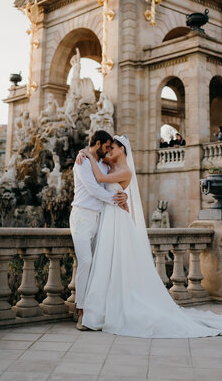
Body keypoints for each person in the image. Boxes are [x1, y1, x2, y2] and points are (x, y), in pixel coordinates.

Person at [76, 135, 222, 338]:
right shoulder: (108, 163)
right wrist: (83, 153)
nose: (108, 151)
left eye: (112, 147)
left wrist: (89, 159)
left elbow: (99, 178)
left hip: (116, 216)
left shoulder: (125, 170)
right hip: (108, 216)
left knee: (116, 260)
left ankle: (105, 309)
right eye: (107, 148)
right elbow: (96, 157)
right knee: (106, 261)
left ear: (122, 150)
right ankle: (98, 308)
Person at [69, 130, 128, 331]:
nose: (108, 150)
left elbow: (115, 181)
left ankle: (95, 310)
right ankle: (81, 310)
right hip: (82, 216)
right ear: (98, 144)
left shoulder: (102, 164)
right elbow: (93, 190)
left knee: (98, 264)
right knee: (86, 262)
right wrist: (117, 201)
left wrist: (123, 196)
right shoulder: (82, 162)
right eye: (106, 146)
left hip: (100, 218)